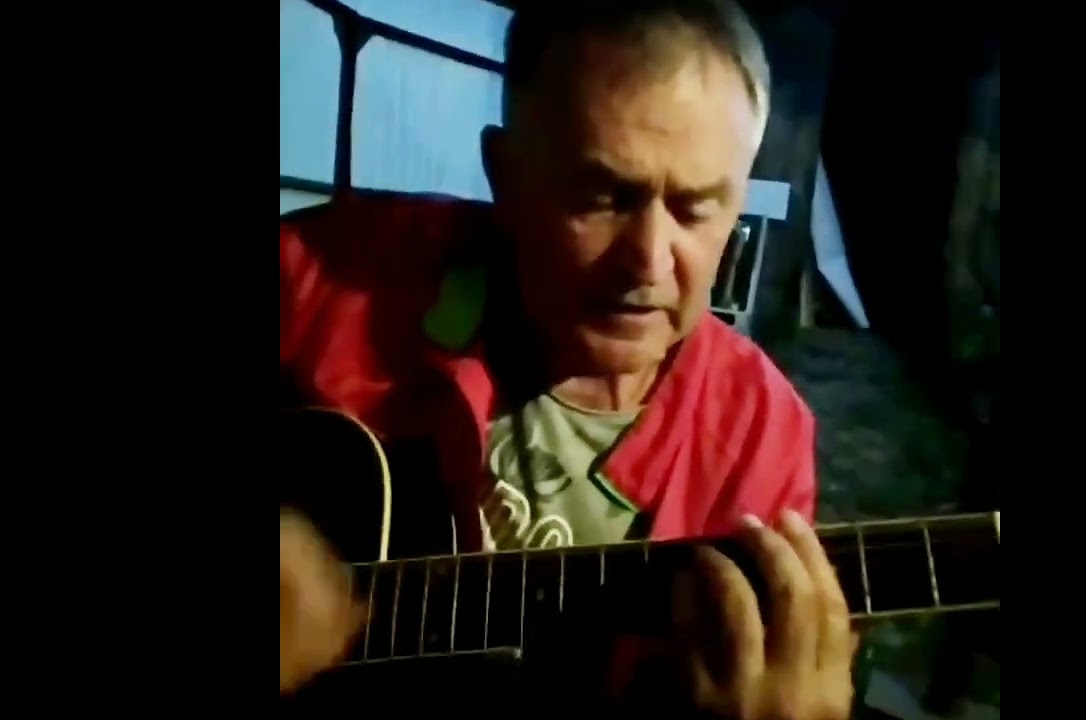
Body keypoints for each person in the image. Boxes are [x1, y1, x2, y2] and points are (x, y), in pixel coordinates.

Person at [279, 0, 858, 716]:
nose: (648, 262)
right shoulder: (323, 279)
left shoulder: (762, 434)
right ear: (505, 178)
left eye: (695, 208)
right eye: (602, 197)